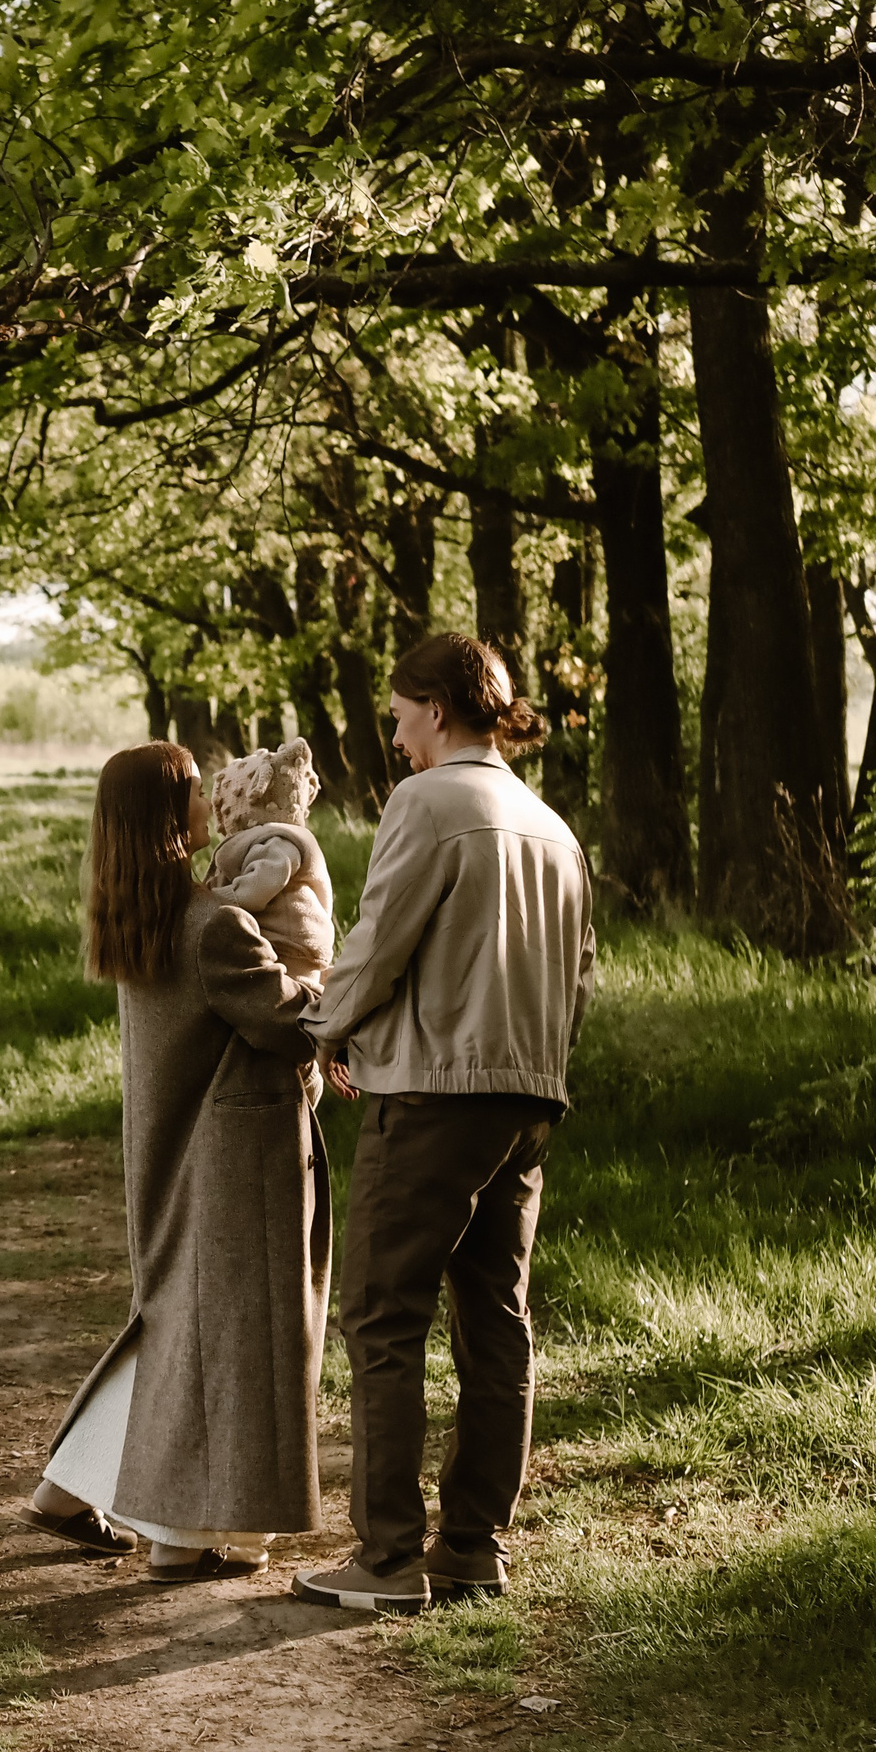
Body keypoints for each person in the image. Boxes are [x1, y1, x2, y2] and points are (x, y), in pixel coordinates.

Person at [292, 634, 596, 1616]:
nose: (393, 732)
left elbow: (378, 944)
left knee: (383, 1316)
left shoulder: (426, 802)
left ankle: (385, 1560)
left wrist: (321, 1028)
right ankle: (472, 1549)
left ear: (435, 707)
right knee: (495, 1324)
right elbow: (577, 982)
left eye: (397, 712)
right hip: (527, 1102)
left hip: (429, 1097)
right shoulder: (552, 826)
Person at [24, 739, 332, 1583]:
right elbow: (284, 1019)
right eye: (198, 790)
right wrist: (337, 979)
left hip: (171, 1149)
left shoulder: (144, 916)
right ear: (170, 816)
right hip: (233, 1157)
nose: (213, 803)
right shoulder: (215, 926)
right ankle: (181, 1536)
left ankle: (70, 1490)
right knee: (234, 1343)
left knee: (175, 1325)